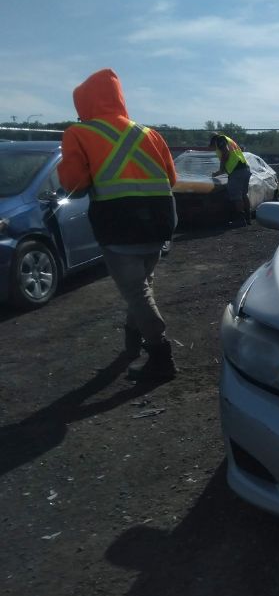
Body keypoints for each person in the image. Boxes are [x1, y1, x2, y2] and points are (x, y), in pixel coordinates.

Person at [58, 68, 179, 382]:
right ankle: (132, 340)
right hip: (160, 221)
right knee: (143, 286)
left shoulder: (79, 134)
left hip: (118, 224)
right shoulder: (150, 133)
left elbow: (75, 183)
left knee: (137, 292)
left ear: (84, 102)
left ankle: (160, 355)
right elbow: (172, 178)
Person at [209, 132, 252, 226]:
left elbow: (225, 153)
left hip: (237, 172)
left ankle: (241, 220)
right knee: (244, 194)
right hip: (244, 169)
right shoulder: (228, 139)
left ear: (213, 140)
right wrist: (219, 172)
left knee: (236, 196)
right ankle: (248, 218)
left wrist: (220, 169)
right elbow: (232, 160)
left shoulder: (220, 140)